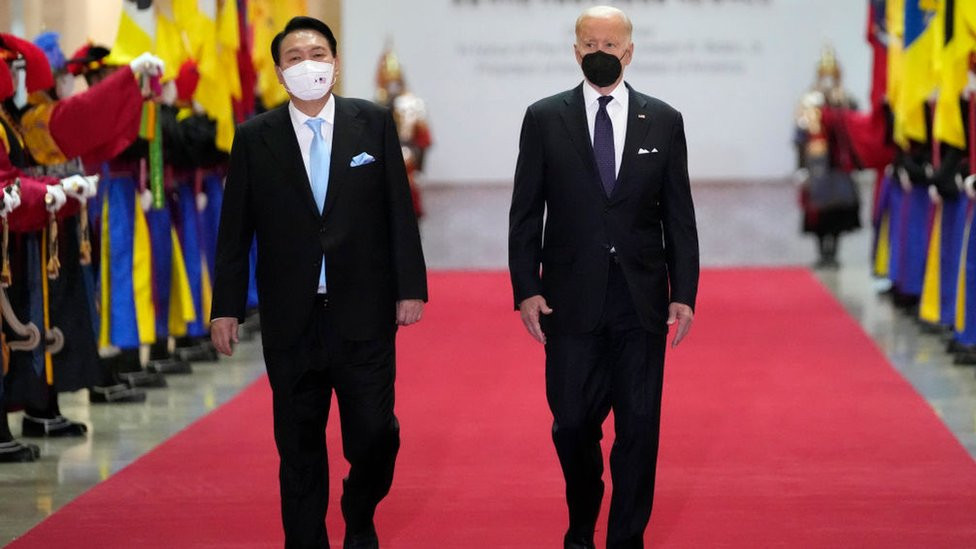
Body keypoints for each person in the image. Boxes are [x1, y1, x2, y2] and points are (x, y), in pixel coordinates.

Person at [210, 16, 427, 549]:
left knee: (375, 435)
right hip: (292, 320)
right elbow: (235, 231)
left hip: (364, 311)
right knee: (300, 445)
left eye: (318, 53)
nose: (309, 64)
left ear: (334, 63)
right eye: (295, 56)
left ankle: (359, 506)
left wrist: (410, 286)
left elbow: (399, 208)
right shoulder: (255, 138)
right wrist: (226, 307)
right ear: (280, 72)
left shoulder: (371, 123)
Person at [508, 6, 699, 549]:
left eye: (610, 44)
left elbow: (679, 217)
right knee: (571, 424)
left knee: (639, 429)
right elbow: (526, 210)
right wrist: (526, 286)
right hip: (569, 301)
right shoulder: (545, 118)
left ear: (629, 52)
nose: (599, 51)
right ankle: (581, 519)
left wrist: (683, 293)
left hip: (641, 302)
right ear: (575, 50)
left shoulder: (664, 119)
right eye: (589, 42)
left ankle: (625, 539)